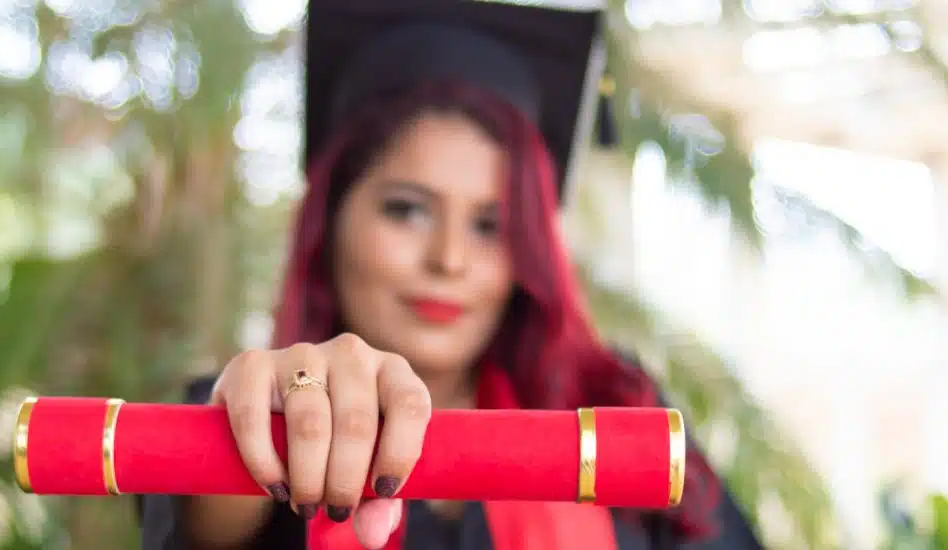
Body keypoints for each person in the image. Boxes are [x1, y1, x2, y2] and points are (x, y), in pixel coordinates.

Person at [139, 0, 763, 548]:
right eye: (407, 210)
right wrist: (269, 424)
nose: (450, 260)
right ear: (330, 220)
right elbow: (204, 524)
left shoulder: (616, 416)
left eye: (491, 225)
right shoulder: (260, 418)